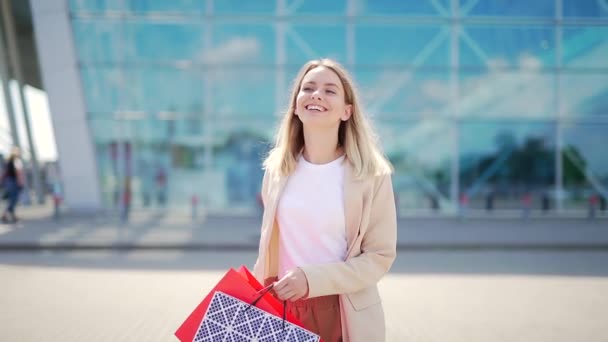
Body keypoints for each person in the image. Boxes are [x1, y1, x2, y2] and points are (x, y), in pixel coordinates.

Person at [253, 59, 397, 342]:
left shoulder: (372, 174)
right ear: (296, 105)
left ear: (347, 111)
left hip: (341, 311)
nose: (317, 94)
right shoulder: (276, 170)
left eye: (330, 90)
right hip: (280, 308)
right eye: (308, 88)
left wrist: (312, 280)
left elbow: (379, 257)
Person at [1, 147, 25, 223]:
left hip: (8, 182)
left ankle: (11, 215)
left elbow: (4, 173)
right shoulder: (16, 161)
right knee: (14, 199)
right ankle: (6, 215)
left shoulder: (8, 161)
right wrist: (20, 183)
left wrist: (1, 181)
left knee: (12, 199)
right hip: (13, 181)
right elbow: (19, 173)